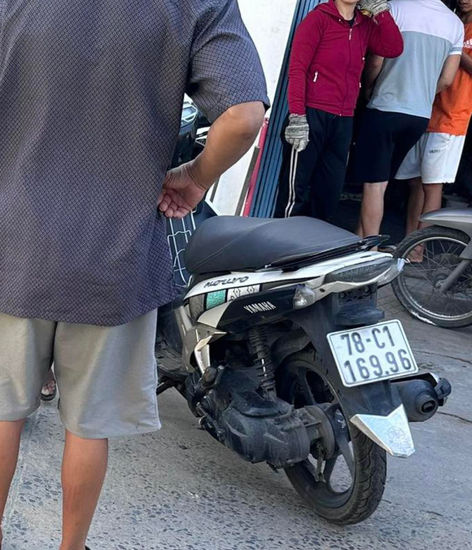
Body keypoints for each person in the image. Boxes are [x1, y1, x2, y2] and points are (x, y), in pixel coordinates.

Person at [0, 1, 268, 549]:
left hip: (12, 242)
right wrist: (195, 177)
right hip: (114, 253)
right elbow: (242, 116)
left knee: (2, 412)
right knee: (87, 424)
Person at [274, 0, 403, 223]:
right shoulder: (318, 19)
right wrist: (297, 116)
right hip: (310, 115)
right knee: (295, 193)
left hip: (344, 119)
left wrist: (381, 13)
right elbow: (297, 70)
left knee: (328, 193)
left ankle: (313, 251)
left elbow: (393, 47)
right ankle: (277, 249)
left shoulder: (364, 25)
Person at [354, 0, 464, 237]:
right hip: (419, 117)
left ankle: (369, 250)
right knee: (382, 182)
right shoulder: (455, 24)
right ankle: (359, 237)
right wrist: (422, 94)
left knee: (375, 185)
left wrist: (368, 88)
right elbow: (447, 79)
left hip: (385, 108)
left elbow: (376, 61)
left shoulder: (396, 9)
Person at [397, 0, 472, 236]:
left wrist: (456, 50)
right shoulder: (451, 19)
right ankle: (408, 242)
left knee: (432, 185)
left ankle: (419, 249)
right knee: (414, 182)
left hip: (452, 118)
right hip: (424, 109)